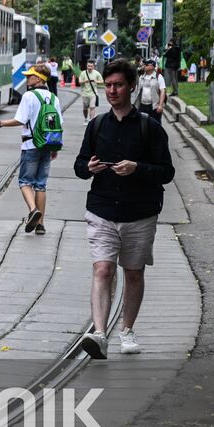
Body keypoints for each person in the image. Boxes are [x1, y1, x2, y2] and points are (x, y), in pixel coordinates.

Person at [72, 58, 175, 359]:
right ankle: (100, 333)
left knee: (133, 273)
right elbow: (79, 166)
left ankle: (127, 330)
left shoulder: (149, 128)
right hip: (102, 209)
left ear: (132, 86)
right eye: (108, 86)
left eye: (117, 85)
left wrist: (137, 168)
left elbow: (166, 172)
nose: (112, 91)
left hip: (139, 213)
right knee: (102, 269)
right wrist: (88, 168)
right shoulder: (97, 125)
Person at [0, 63, 60, 235]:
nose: (27, 78)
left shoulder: (29, 96)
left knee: (25, 182)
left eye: (30, 76)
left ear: (39, 78)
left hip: (30, 145)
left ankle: (33, 209)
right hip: (47, 144)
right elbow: (58, 124)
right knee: (41, 185)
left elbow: (20, 120)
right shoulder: (53, 98)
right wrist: (55, 147)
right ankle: (41, 225)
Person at [133, 57, 167, 125]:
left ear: (151, 66)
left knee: (155, 125)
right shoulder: (141, 77)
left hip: (154, 106)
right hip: (142, 106)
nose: (144, 66)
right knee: (142, 124)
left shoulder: (159, 77)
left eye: (146, 65)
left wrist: (160, 105)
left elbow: (163, 91)